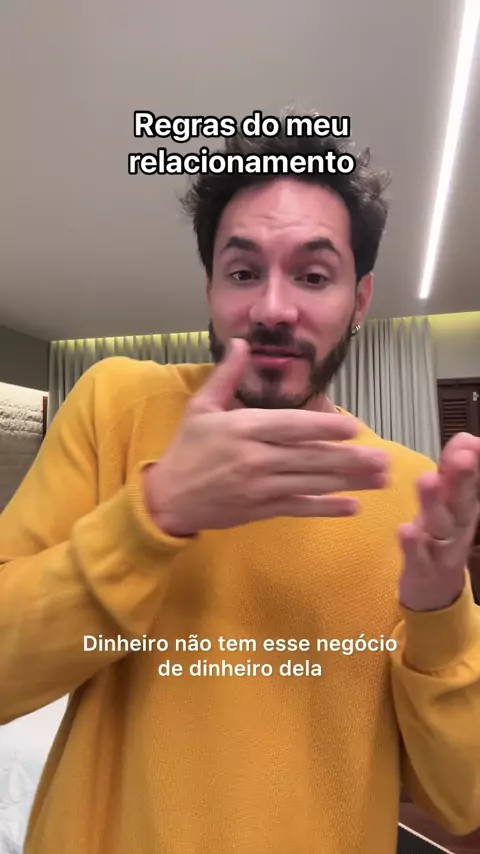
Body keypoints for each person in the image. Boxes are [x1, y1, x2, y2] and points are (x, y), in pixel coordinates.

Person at [1, 108, 480, 854]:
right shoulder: (117, 405)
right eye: (244, 272)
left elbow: (460, 797)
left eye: (313, 276)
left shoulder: (409, 491)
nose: (272, 309)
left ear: (359, 301)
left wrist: (438, 612)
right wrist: (155, 515)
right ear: (210, 289)